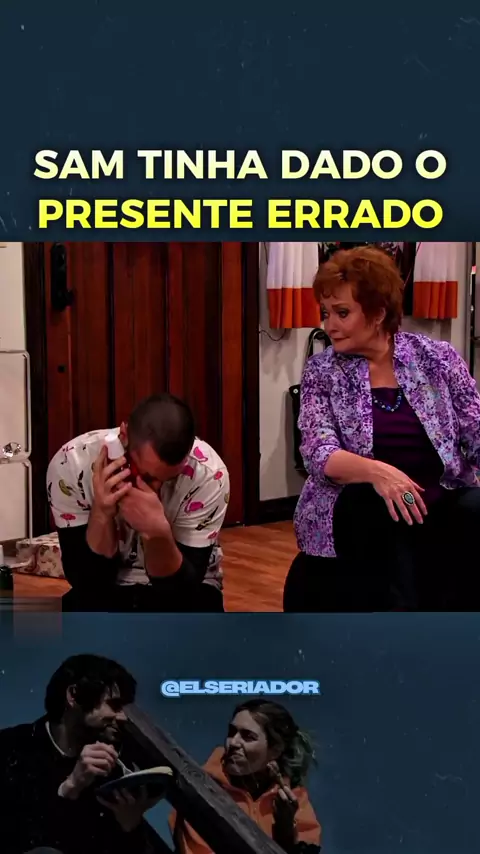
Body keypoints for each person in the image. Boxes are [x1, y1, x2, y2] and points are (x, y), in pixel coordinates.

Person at [284, 245, 480, 613]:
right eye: (326, 313)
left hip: (438, 499)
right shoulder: (322, 371)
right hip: (361, 503)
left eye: (342, 313)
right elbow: (318, 452)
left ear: (378, 313)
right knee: (375, 508)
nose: (329, 325)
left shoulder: (436, 358)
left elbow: (476, 431)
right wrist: (378, 473)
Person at [46, 393, 230, 612]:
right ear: (123, 435)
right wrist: (102, 514)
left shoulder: (209, 475)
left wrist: (157, 533)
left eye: (169, 480)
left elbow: (182, 593)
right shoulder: (71, 464)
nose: (155, 490)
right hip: (103, 589)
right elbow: (86, 583)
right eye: (146, 477)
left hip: (182, 592)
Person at [0, 654, 160, 854]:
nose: (123, 717)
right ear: (74, 696)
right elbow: (16, 838)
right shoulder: (11, 749)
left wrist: (130, 825)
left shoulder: (111, 766)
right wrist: (70, 787)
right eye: (115, 705)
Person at [169, 699, 321, 853]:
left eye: (248, 736)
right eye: (231, 732)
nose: (233, 743)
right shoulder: (200, 789)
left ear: (275, 750)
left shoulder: (295, 799)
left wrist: (285, 829)